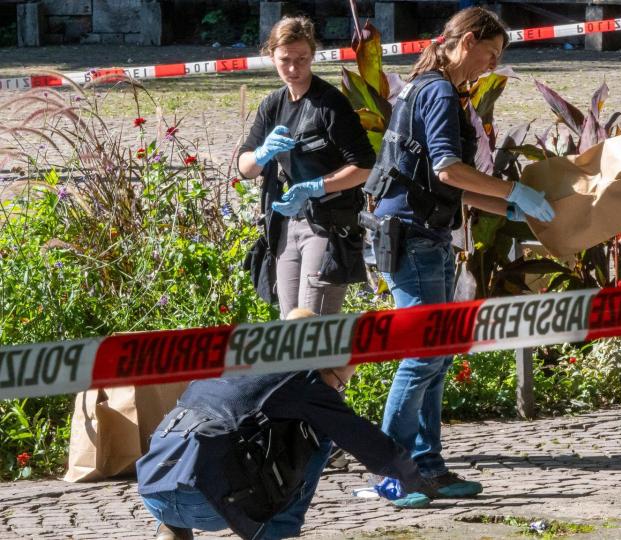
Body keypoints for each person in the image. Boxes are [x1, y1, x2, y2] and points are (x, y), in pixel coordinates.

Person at [363, 7, 556, 497]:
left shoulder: (426, 86)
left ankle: (427, 465)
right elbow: (450, 169)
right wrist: (513, 191)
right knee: (424, 354)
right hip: (415, 238)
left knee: (437, 353)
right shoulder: (440, 92)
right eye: (489, 55)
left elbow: (441, 183)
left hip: (418, 232)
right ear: (467, 41)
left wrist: (503, 205)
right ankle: (394, 471)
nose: (489, 67)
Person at [137, 309, 435, 540]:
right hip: (207, 503)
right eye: (341, 383)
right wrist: (416, 479)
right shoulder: (304, 378)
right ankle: (276, 533)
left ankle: (171, 529)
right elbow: (367, 443)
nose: (339, 391)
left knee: (198, 444)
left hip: (153, 486)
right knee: (321, 436)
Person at [238, 16, 375, 319]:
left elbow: (365, 166)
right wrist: (261, 154)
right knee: (291, 324)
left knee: (312, 325)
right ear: (271, 55)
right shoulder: (273, 104)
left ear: (313, 55)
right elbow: (244, 167)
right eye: (285, 60)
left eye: (302, 59)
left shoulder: (330, 104)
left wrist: (315, 186)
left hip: (327, 224)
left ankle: (325, 369)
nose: (293, 68)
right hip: (287, 223)